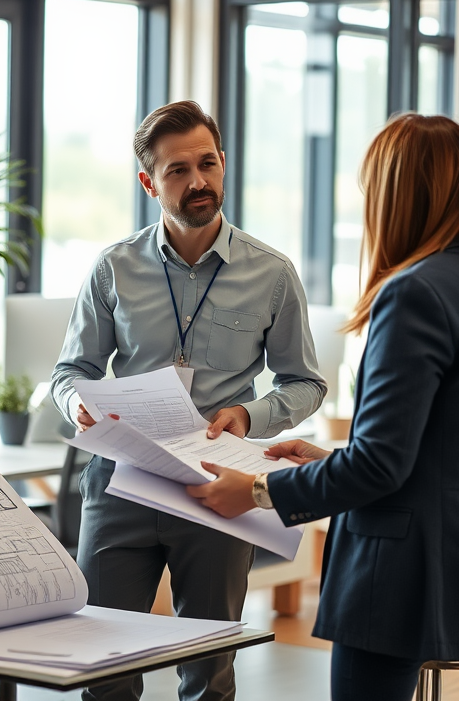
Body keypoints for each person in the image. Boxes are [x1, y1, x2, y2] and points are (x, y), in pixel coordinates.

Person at [187, 113, 459, 701]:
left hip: (406, 573)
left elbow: (381, 468)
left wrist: (257, 493)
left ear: (396, 196)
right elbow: (442, 448)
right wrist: (326, 459)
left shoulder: (413, 293)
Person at [51, 100, 327, 701]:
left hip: (218, 487)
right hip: (121, 480)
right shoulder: (112, 269)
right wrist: (78, 406)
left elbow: (305, 382)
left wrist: (249, 416)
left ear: (223, 164)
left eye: (207, 163)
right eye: (178, 170)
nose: (198, 180)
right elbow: (70, 372)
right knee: (105, 667)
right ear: (149, 182)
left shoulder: (273, 274)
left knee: (209, 672)